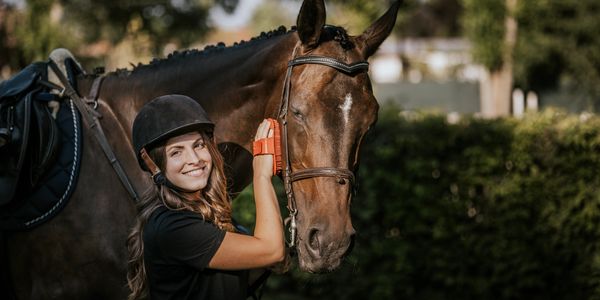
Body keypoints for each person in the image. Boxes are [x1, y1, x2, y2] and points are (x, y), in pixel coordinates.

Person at [126, 94, 285, 300]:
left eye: (198, 145)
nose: (194, 159)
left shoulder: (204, 215)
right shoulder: (172, 227)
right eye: (176, 152)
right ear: (153, 164)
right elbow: (271, 249)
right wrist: (262, 174)